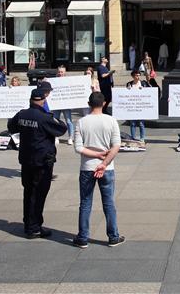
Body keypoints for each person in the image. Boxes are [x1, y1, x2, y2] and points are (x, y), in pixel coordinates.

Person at [7, 88, 68, 238]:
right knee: (39, 193)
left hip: (26, 159)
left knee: (28, 192)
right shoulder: (44, 117)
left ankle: (29, 223)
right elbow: (61, 128)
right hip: (42, 160)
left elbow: (11, 126)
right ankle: (34, 227)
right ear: (43, 101)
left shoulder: (22, 114)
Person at [72, 91, 124, 248]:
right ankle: (113, 236)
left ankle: (82, 237)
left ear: (89, 104)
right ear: (104, 103)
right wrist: (104, 163)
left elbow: (78, 148)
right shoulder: (111, 121)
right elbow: (116, 146)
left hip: (87, 167)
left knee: (85, 203)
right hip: (107, 168)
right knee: (108, 202)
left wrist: (95, 155)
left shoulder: (81, 122)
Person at [125, 70, 150, 144]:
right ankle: (133, 138)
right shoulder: (129, 84)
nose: (138, 77)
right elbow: (125, 94)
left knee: (141, 123)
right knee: (132, 123)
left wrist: (144, 89)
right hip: (133, 106)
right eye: (136, 75)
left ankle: (142, 138)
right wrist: (128, 90)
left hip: (141, 106)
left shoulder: (143, 83)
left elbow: (150, 91)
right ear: (133, 76)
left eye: (139, 75)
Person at [55, 65, 75, 145]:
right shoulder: (54, 80)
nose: (60, 73)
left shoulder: (68, 80)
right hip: (56, 104)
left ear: (65, 72)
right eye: (59, 72)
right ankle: (56, 137)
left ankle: (70, 137)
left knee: (69, 121)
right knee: (56, 121)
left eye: (62, 72)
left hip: (66, 104)